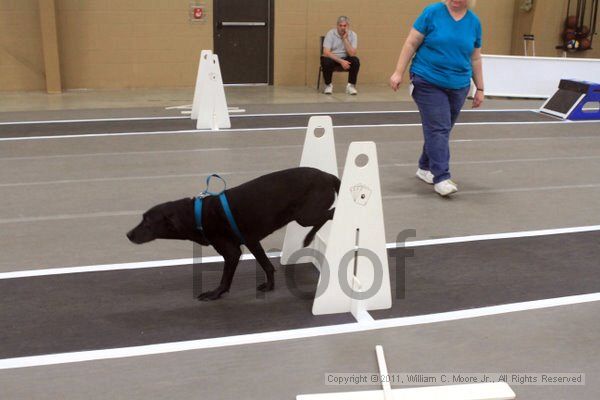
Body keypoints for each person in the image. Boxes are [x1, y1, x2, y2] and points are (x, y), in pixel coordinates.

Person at [389, 0, 484, 196]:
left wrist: (480, 88)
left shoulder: (474, 22)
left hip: (459, 85)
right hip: (427, 79)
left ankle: (424, 168)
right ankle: (441, 177)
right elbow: (411, 42)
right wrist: (398, 72)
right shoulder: (432, 12)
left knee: (441, 129)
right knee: (439, 128)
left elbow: (475, 58)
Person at [322, 16, 360, 95]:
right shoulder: (330, 33)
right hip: (333, 58)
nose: (342, 28)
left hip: (346, 58)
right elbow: (326, 52)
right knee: (326, 60)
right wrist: (341, 61)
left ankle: (351, 86)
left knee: (355, 60)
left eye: (344, 26)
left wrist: (345, 39)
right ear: (337, 26)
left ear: (348, 26)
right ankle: (328, 85)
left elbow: (352, 54)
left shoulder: (353, 35)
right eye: (340, 25)